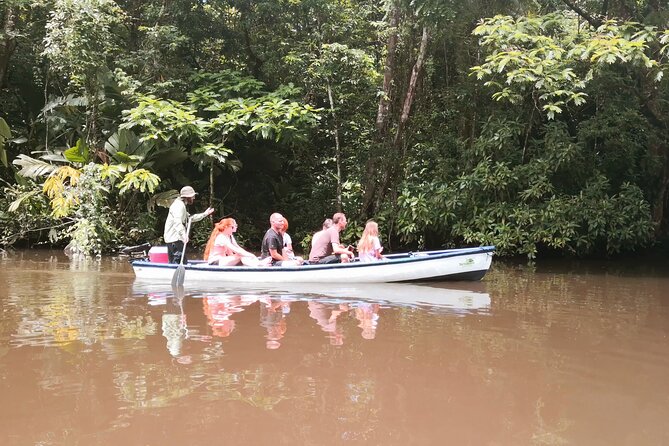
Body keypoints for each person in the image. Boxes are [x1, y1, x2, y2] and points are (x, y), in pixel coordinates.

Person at [164, 185, 214, 264]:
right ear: (187, 197)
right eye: (192, 196)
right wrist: (184, 235)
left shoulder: (182, 205)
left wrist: (205, 214)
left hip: (175, 239)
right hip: (175, 240)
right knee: (178, 263)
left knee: (181, 262)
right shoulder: (179, 206)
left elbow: (190, 218)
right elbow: (177, 222)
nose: (194, 198)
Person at [203, 218, 269, 266]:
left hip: (223, 260)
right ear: (226, 227)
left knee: (242, 255)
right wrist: (251, 255)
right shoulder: (221, 237)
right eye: (233, 227)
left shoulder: (230, 236)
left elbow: (238, 248)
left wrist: (249, 256)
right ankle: (259, 264)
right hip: (215, 262)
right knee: (240, 255)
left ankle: (257, 264)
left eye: (235, 226)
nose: (235, 228)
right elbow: (235, 250)